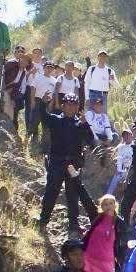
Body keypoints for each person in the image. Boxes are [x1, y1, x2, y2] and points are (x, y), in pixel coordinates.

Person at [40, 94, 95, 236]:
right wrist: (43, 104)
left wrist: (85, 124)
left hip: (74, 165)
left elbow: (91, 141)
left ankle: (73, 226)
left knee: (73, 195)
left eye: (74, 104)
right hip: (57, 162)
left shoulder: (80, 124)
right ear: (63, 106)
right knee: (51, 192)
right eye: (68, 104)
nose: (71, 107)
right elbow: (43, 117)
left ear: (77, 107)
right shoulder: (56, 120)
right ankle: (43, 221)